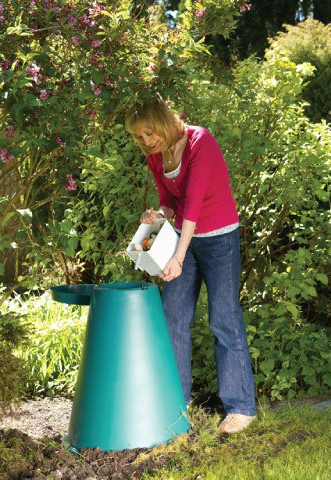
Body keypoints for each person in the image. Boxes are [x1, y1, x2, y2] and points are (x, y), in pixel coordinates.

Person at [125, 97, 256, 434]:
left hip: (218, 238)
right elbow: (172, 203)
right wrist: (157, 215)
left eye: (149, 133)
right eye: (139, 137)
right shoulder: (157, 156)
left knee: (223, 317)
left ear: (164, 122)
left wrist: (179, 257)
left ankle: (241, 408)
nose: (146, 142)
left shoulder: (201, 141)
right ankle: (175, 407)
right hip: (184, 235)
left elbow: (194, 205)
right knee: (172, 318)